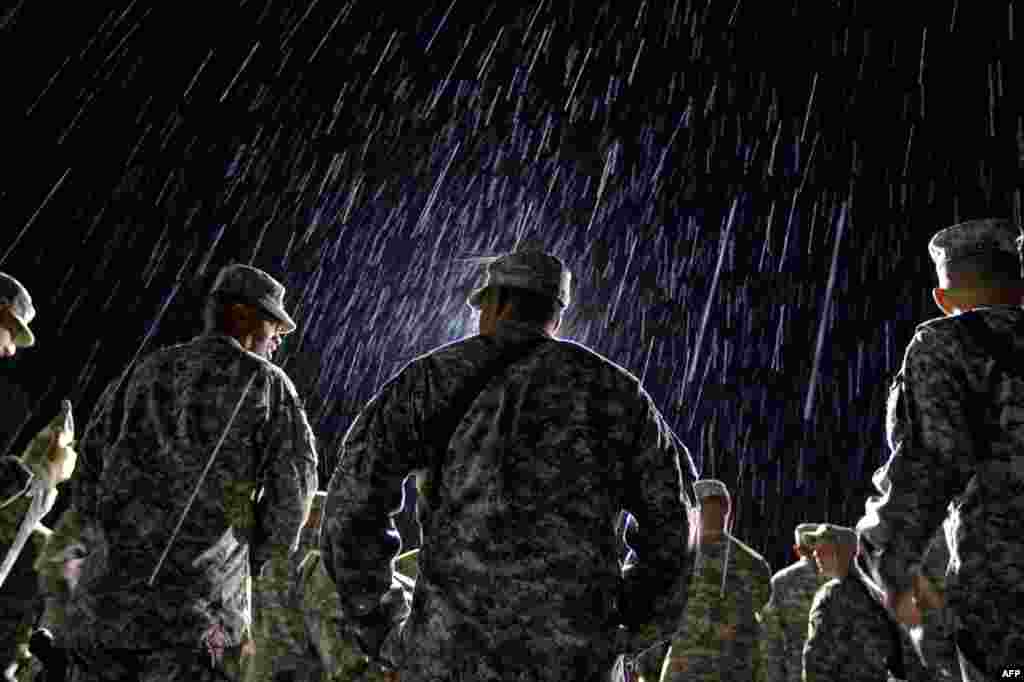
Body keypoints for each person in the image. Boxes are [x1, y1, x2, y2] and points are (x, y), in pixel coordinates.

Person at [321, 250, 698, 682]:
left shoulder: (429, 381)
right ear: (556, 314)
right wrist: (628, 622)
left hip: (448, 656)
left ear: (495, 304)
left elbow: (352, 506)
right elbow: (676, 522)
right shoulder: (617, 394)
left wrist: (381, 625)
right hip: (573, 661)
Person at [56, 264, 318, 681]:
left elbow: (87, 464)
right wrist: (258, 559)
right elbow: (295, 491)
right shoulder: (266, 385)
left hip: (105, 610)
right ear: (242, 315)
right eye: (274, 324)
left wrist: (102, 544)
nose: (278, 340)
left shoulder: (144, 371)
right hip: (194, 621)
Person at [856, 217, 1024, 680]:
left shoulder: (946, 344)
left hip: (1005, 591)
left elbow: (931, 460)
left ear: (943, 297)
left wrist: (883, 554)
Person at [659, 478, 772, 682]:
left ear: (726, 509)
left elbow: (761, 613)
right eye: (706, 506)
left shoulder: (753, 564)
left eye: (715, 506)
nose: (711, 513)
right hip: (686, 667)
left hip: (730, 667)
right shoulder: (676, 557)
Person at [758, 523, 828, 682]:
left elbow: (769, 641)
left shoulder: (781, 582)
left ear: (797, 550)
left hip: (796, 672)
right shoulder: (842, 579)